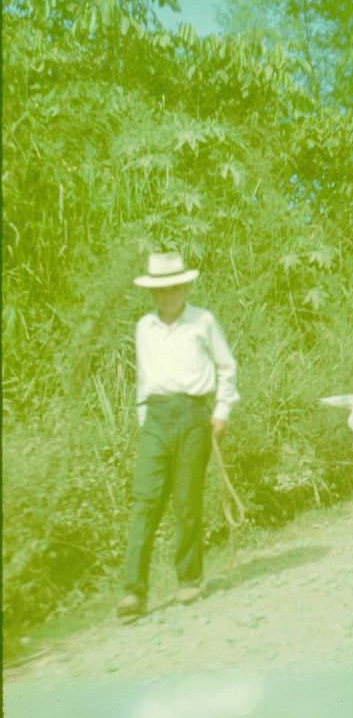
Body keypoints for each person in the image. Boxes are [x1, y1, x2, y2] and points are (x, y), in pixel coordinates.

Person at [116, 251, 239, 622]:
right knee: (145, 501)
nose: (166, 296)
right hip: (155, 416)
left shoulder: (203, 322)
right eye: (159, 290)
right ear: (152, 292)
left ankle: (190, 579)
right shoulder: (144, 327)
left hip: (192, 416)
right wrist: (145, 420)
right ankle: (133, 593)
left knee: (186, 501)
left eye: (172, 288)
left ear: (185, 287)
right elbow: (143, 378)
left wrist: (221, 412)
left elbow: (227, 367)